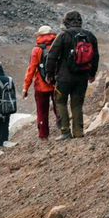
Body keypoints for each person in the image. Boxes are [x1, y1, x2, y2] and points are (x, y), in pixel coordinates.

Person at [45, 10, 99, 140]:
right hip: (82, 77)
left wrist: (49, 74)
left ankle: (65, 132)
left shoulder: (63, 35)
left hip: (64, 77)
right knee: (77, 104)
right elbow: (96, 57)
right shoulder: (90, 36)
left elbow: (52, 56)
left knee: (60, 102)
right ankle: (78, 132)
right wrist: (92, 74)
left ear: (66, 22)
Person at [23, 25, 61, 140]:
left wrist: (26, 88)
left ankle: (44, 135)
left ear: (39, 35)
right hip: (56, 85)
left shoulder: (37, 49)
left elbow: (31, 69)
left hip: (41, 87)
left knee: (42, 111)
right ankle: (63, 128)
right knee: (59, 107)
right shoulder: (58, 45)